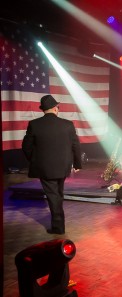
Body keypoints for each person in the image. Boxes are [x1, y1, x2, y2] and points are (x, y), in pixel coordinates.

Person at [22, 95, 82, 234]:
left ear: (43, 110)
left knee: (54, 195)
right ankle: (58, 222)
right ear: (56, 108)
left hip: (45, 167)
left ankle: (58, 227)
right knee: (57, 194)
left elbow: (26, 147)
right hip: (63, 166)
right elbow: (76, 146)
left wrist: (34, 160)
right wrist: (77, 164)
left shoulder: (34, 124)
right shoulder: (68, 124)